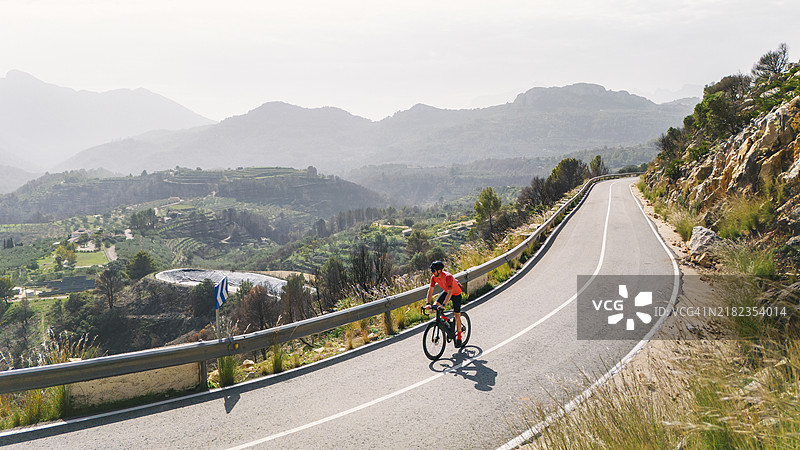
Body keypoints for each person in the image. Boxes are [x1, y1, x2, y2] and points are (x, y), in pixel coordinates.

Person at [424, 261, 464, 347]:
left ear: (439, 270)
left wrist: (444, 305)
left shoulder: (448, 277)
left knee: (457, 315)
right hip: (447, 291)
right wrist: (428, 303)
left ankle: (459, 338)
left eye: (433, 270)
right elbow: (430, 290)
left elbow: (450, 293)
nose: (432, 272)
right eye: (431, 270)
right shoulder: (434, 277)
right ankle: (447, 320)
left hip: (455, 294)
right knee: (435, 306)